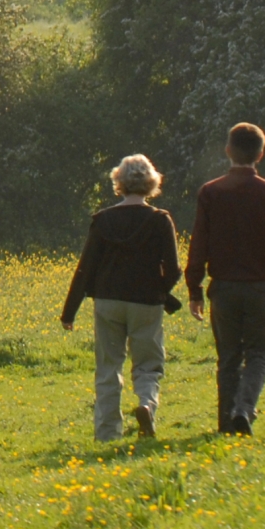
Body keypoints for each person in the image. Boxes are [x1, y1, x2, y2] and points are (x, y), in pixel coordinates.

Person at [60, 153, 181, 442]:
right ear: (152, 182)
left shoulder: (102, 220)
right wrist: (161, 289)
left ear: (120, 182)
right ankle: (146, 404)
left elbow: (85, 268)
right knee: (148, 363)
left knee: (109, 366)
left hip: (108, 301)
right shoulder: (161, 220)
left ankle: (107, 433)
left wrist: (69, 311)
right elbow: (174, 269)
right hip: (147, 302)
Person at [184, 121, 265, 435]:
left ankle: (226, 424)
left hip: (225, 288)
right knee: (259, 353)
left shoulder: (211, 192)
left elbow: (199, 242)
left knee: (228, 357)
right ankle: (245, 408)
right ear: (261, 153)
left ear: (228, 150)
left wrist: (194, 289)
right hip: (261, 287)